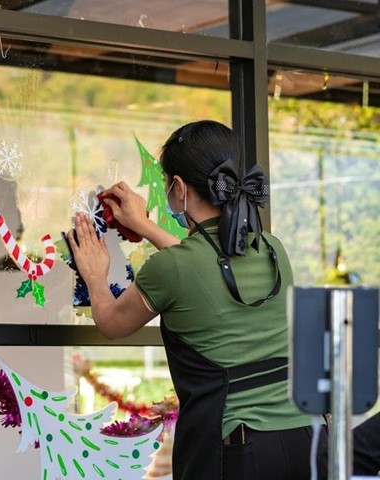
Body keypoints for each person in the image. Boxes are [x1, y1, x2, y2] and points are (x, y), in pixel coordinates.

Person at [67, 120, 326, 479]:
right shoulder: (272, 249)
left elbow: (112, 323)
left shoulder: (172, 269)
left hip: (238, 452)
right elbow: (205, 268)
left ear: (178, 188)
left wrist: (95, 276)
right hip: (305, 443)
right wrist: (144, 227)